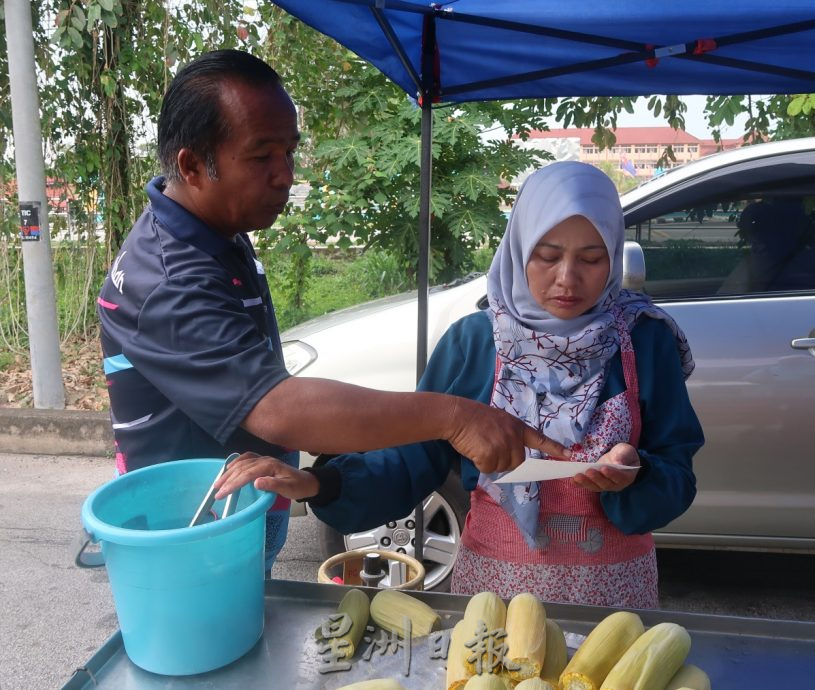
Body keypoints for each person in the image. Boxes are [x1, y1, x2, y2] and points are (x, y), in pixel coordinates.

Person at [96, 49, 566, 575]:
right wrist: (455, 417)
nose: (285, 175)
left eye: (290, 152)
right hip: (188, 533)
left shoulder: (215, 233)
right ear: (191, 165)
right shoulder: (169, 280)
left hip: (233, 505)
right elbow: (279, 409)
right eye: (261, 156)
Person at [215, 162, 705, 607]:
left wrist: (637, 474)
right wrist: (319, 483)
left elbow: (677, 475)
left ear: (615, 254)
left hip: (615, 599)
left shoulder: (644, 341)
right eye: (547, 256)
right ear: (517, 249)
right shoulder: (476, 342)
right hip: (495, 596)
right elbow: (410, 458)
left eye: (592, 259)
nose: (567, 278)